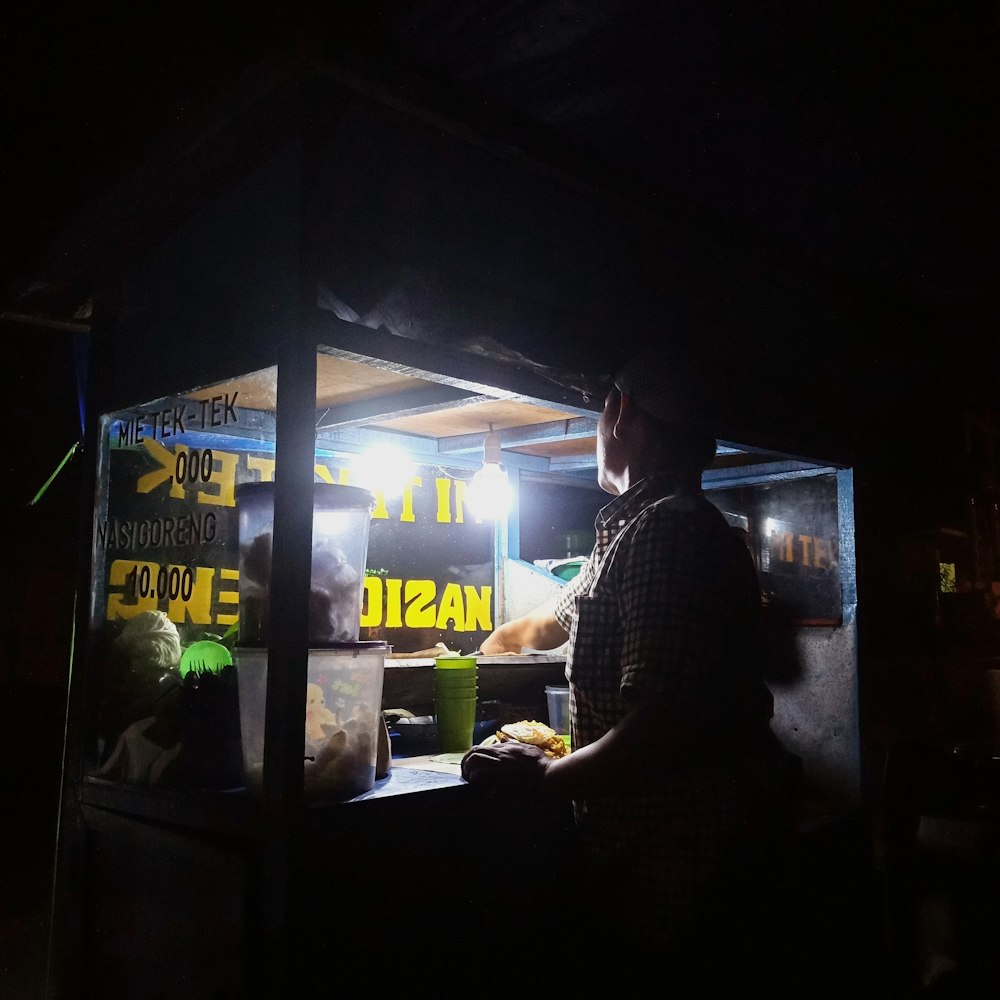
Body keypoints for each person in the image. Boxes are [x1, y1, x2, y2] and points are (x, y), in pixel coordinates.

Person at [462, 343, 802, 991]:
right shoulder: (634, 535)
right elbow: (538, 628)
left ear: (620, 414)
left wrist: (547, 774)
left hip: (675, 878)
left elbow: (665, 724)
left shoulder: (666, 534)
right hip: (659, 870)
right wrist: (456, 661)